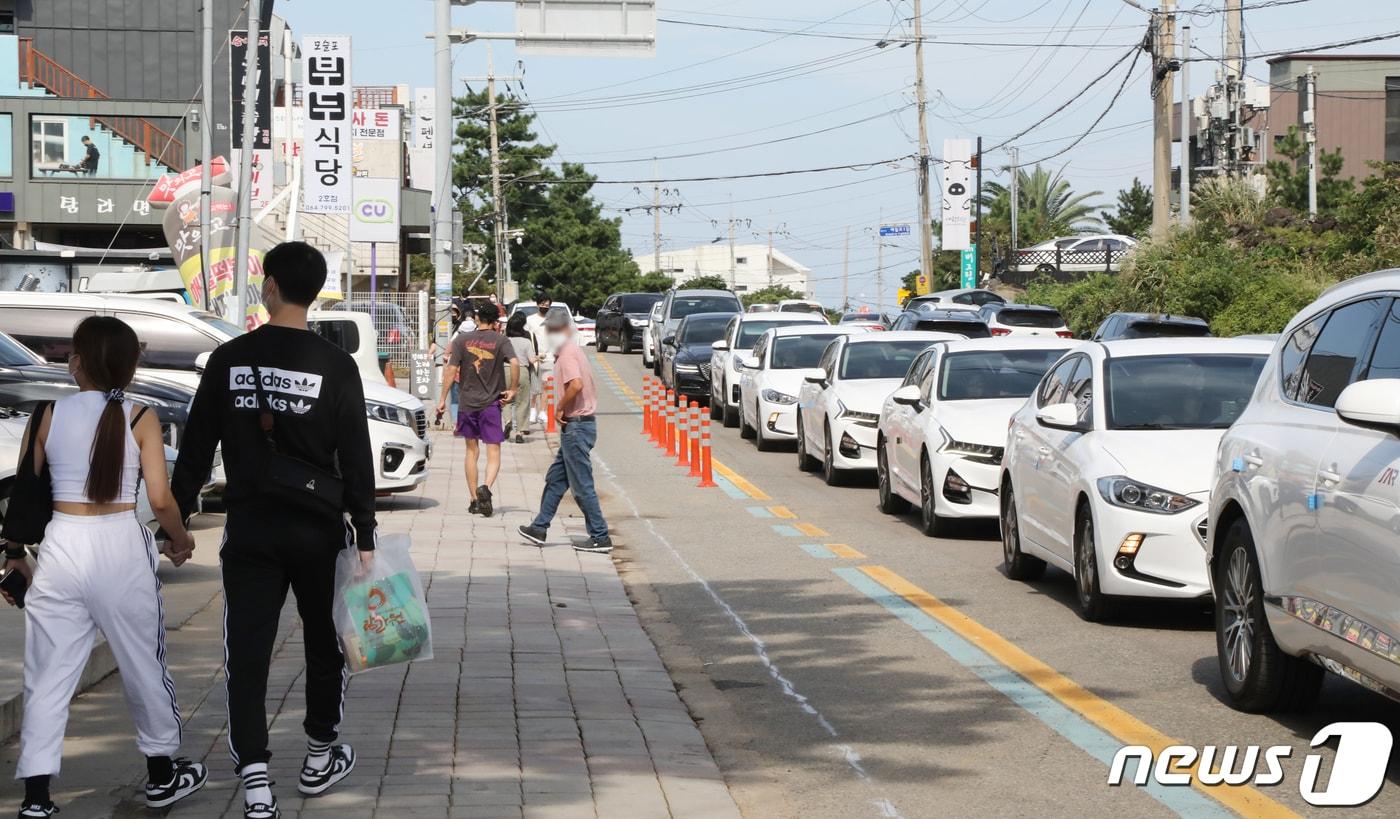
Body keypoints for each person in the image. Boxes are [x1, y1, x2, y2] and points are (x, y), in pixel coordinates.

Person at [170, 241, 377, 819]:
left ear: (270, 287)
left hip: (251, 530)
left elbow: (197, 446)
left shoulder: (229, 359)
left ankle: (256, 781)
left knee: (248, 651)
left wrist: (177, 522)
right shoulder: (336, 365)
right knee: (326, 642)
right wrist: (365, 532)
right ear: (315, 292)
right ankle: (319, 756)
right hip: (318, 530)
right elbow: (356, 456)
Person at [4, 316, 207, 818]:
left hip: (61, 546)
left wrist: (14, 555)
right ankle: (162, 775)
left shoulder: (47, 414)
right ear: (130, 367)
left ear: (76, 362)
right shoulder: (141, 417)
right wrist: (180, 540)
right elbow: (161, 500)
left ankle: (36, 799)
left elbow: (26, 494)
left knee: (48, 675)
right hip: (120, 546)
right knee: (143, 662)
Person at [518, 310, 612, 554]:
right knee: (556, 479)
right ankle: (539, 527)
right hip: (576, 426)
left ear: (565, 330)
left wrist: (559, 407)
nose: (551, 335)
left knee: (581, 486)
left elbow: (576, 385)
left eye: (554, 330)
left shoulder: (568, 354)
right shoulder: (570, 352)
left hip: (577, 426)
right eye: (549, 330)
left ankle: (600, 536)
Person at [436, 303, 520, 518]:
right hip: (491, 404)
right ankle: (486, 487)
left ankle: (474, 500)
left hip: (467, 403)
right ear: (495, 322)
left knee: (471, 451)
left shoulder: (461, 340)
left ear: (477, 318)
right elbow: (515, 362)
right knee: (494, 451)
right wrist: (513, 389)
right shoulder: (501, 341)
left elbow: (451, 369)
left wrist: (442, 399)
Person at [504, 311, 539, 444]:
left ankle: (507, 421)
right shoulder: (526, 341)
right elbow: (531, 360)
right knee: (523, 402)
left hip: (506, 370)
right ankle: (520, 432)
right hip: (522, 370)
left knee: (506, 400)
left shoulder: (505, 341)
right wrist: (539, 357)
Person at [525, 295, 553, 424]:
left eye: (547, 305)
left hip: (549, 357)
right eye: (542, 304)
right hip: (534, 358)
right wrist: (531, 355)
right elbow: (526, 338)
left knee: (546, 385)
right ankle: (532, 411)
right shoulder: (530, 320)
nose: (544, 307)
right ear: (537, 304)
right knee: (534, 387)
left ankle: (542, 412)